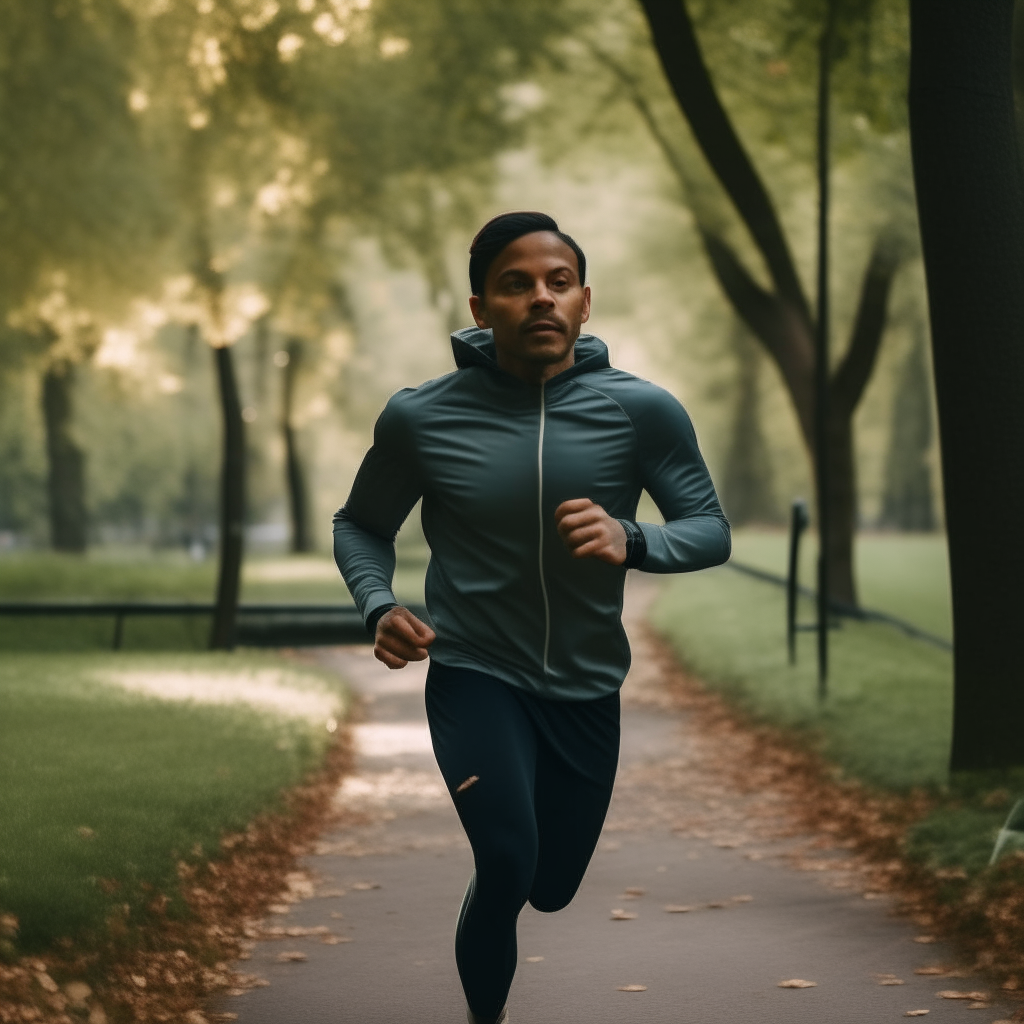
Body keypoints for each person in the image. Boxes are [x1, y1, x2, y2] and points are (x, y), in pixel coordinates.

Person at [333, 211, 730, 1024]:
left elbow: (709, 529)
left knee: (549, 888)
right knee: (510, 860)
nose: (541, 299)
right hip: (477, 673)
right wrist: (379, 604)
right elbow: (362, 525)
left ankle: (518, 881)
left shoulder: (641, 411)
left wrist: (632, 537)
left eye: (558, 283)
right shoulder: (421, 417)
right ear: (481, 308)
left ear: (585, 302)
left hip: (586, 683)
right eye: (517, 284)